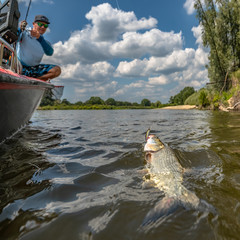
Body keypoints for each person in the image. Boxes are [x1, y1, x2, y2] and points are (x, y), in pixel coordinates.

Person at [16, 15, 61, 81]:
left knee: (57, 70)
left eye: (45, 26)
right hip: (19, 66)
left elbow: (50, 52)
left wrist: (39, 38)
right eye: (40, 24)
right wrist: (20, 28)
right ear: (33, 24)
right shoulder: (24, 33)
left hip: (34, 69)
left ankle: (34, 81)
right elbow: (14, 38)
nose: (43, 27)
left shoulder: (45, 42)